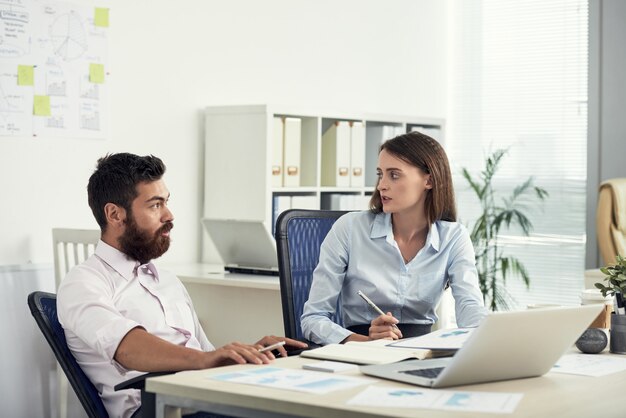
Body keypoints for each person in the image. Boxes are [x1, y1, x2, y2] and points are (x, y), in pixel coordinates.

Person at [57, 153, 306, 418]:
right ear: (115, 214)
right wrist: (205, 361)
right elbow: (127, 348)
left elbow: (206, 355)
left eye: (166, 202)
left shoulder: (167, 280)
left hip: (202, 393)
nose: (169, 215)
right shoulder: (83, 283)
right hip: (156, 408)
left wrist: (248, 353)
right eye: (155, 205)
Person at [301, 132, 487, 345]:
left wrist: (484, 335)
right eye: (381, 174)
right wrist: (365, 342)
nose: (382, 185)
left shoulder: (453, 237)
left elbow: (470, 306)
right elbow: (313, 319)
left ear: (429, 180)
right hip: (360, 350)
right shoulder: (350, 228)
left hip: (421, 351)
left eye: (394, 175)